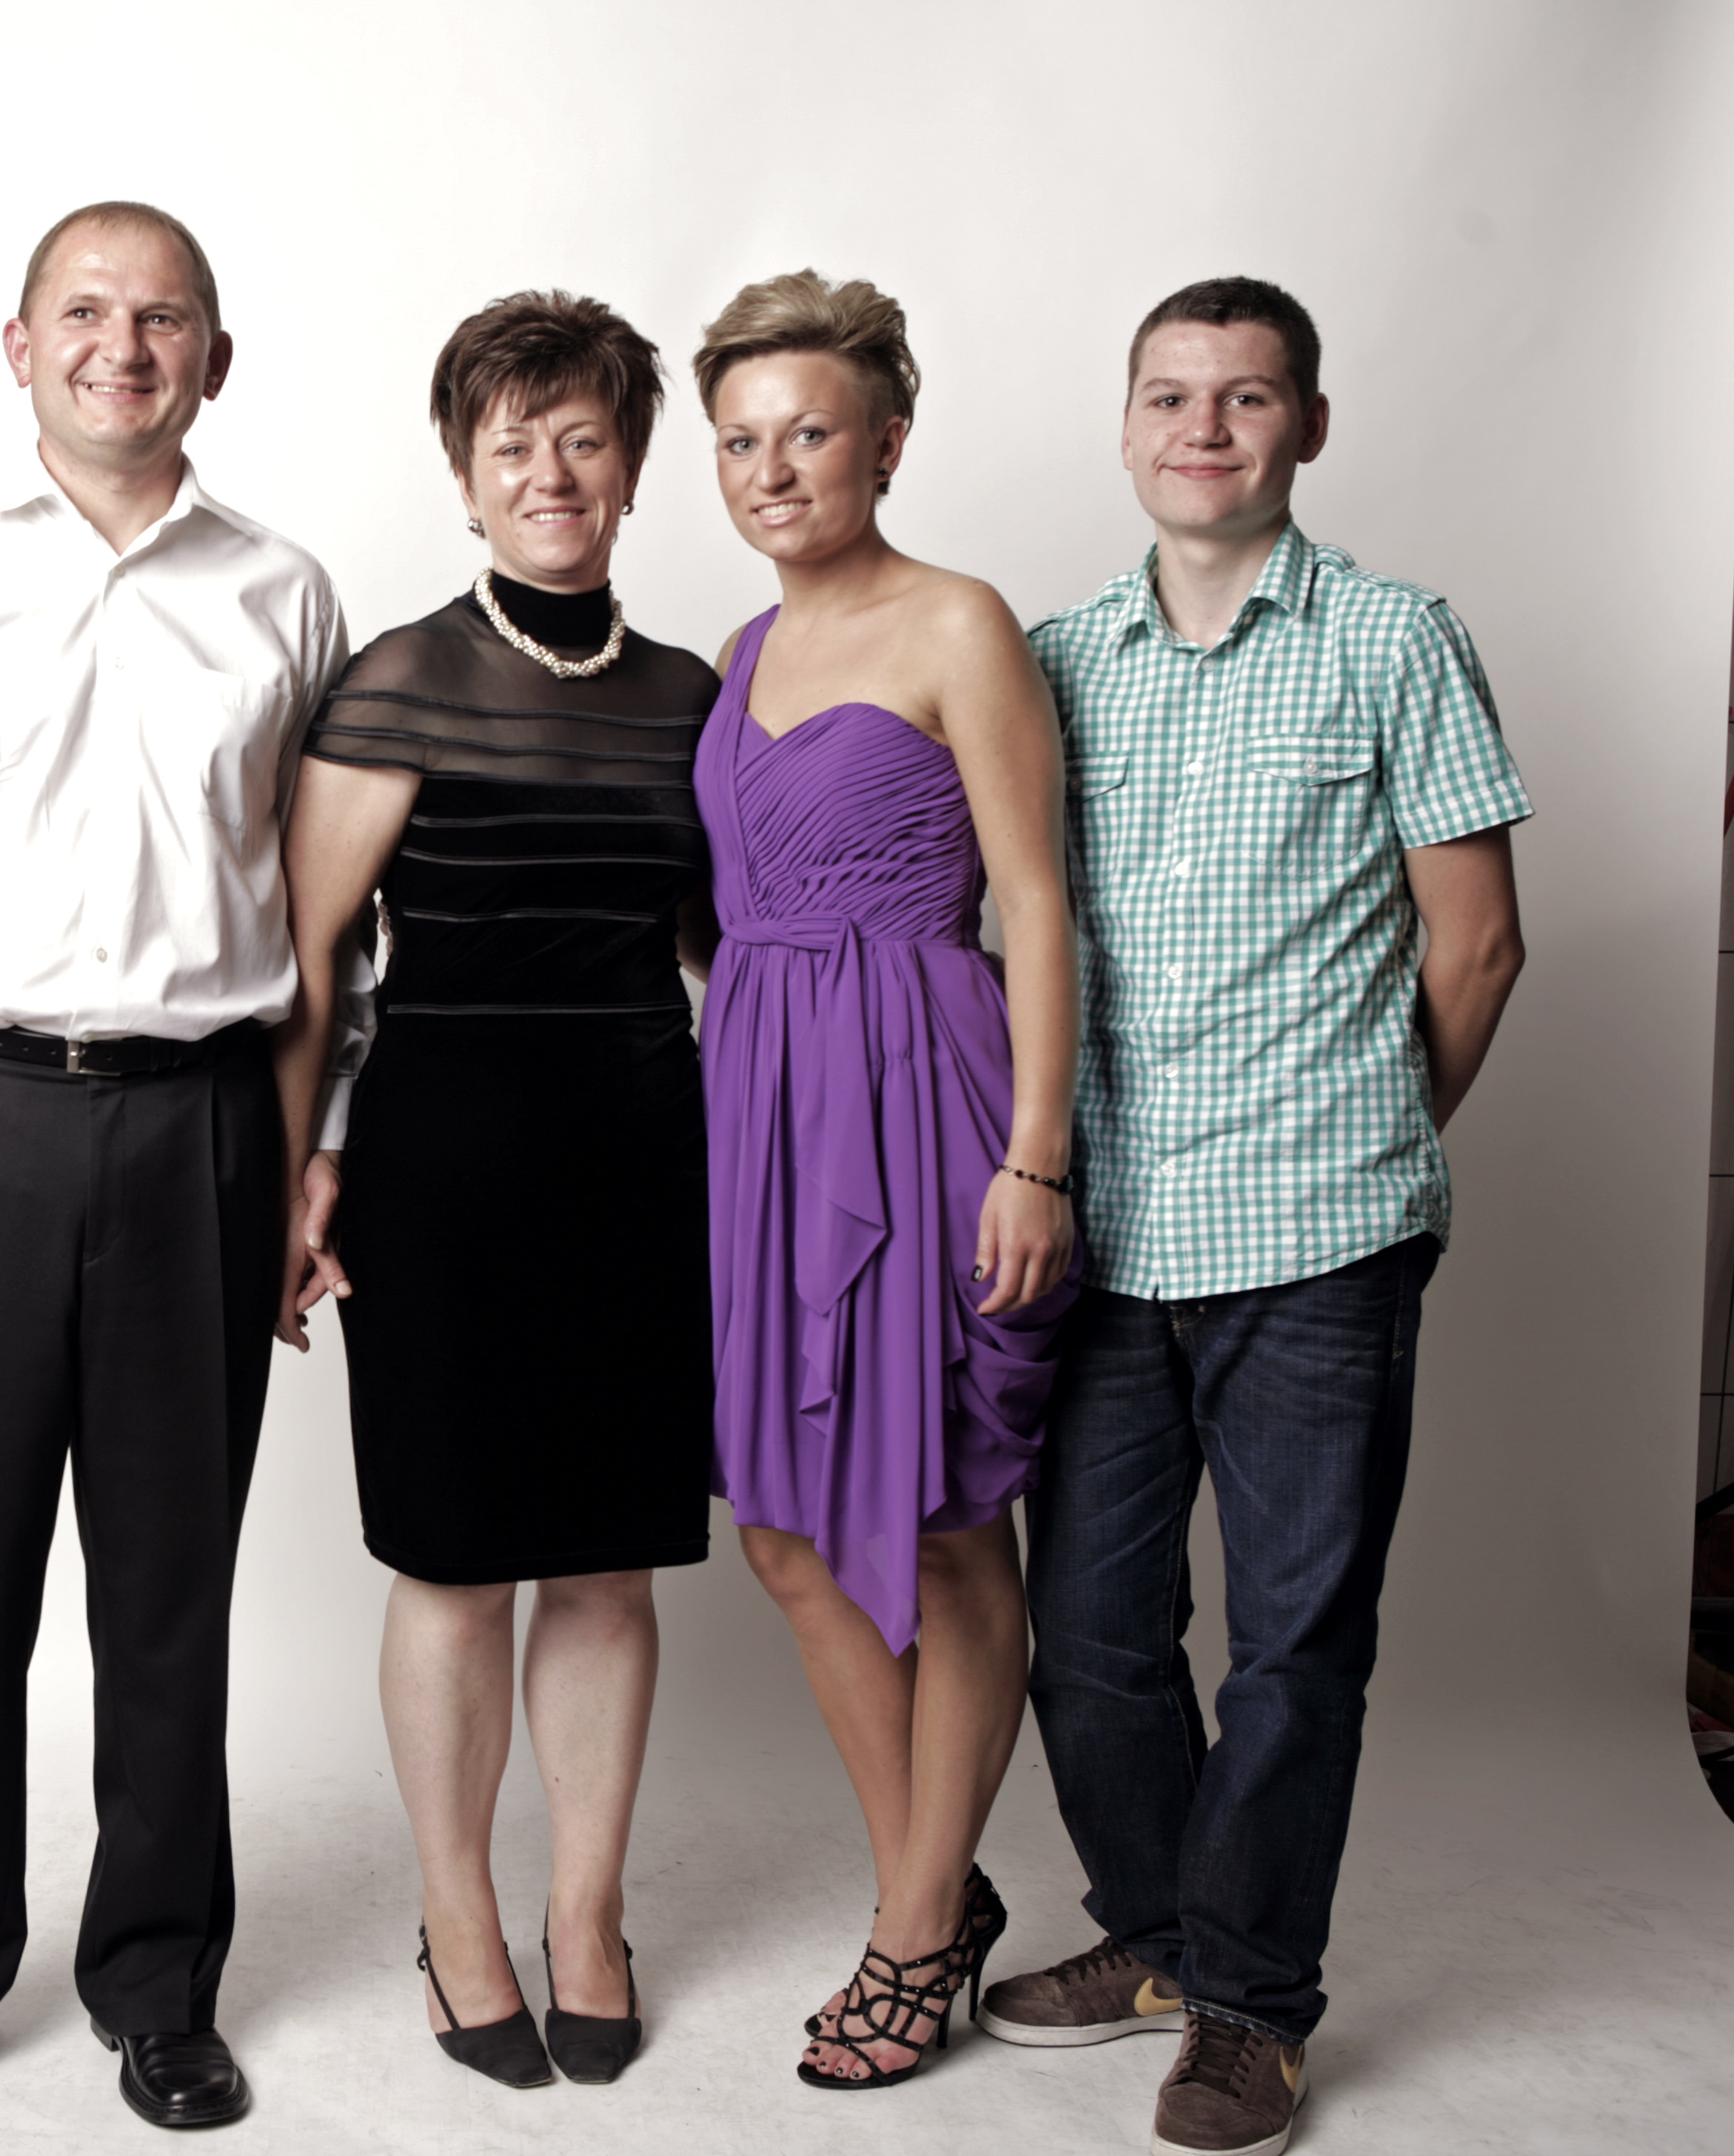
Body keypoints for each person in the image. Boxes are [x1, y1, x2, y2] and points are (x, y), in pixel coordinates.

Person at [0, 201, 347, 2137]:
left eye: (164, 316)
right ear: (17, 346)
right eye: (86, 312)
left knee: (169, 1597)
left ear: (215, 359)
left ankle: (159, 1986)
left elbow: (335, 911)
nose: (125, 345)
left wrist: (319, 1153)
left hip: (206, 1126)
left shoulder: (286, 593)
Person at [980, 277, 1527, 2156]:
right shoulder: (1053, 660)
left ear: (1308, 425)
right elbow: (1010, 931)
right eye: (1170, 396)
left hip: (1323, 1238)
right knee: (1090, 1637)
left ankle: (1251, 2005)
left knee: (1294, 1649)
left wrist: (1367, 1137)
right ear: (1125, 425)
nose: (1203, 429)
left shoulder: (1394, 637)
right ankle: (1157, 1935)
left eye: (1245, 396)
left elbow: (1477, 943)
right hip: (1106, 1231)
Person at [271, 291, 716, 2093]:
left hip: (645, 1159)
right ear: (464, 476)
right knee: (455, 1563)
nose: (549, 472)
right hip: (440, 1167)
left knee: (608, 1561)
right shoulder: (398, 676)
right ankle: (457, 1913)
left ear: (632, 469)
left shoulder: (692, 696)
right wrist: (292, 1176)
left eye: (583, 438)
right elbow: (309, 961)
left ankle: (587, 1911)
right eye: (511, 443)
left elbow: (722, 952)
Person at [689, 270, 1081, 2091]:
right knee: (781, 1526)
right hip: (763, 1107)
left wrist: (1034, 1155)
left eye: (809, 433)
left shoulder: (960, 621)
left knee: (942, 1510)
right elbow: (727, 913)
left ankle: (914, 1929)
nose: (772, 470)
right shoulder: (736, 652)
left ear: (889, 442)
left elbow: (1037, 902)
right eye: (740, 442)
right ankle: (936, 1881)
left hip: (925, 1095)